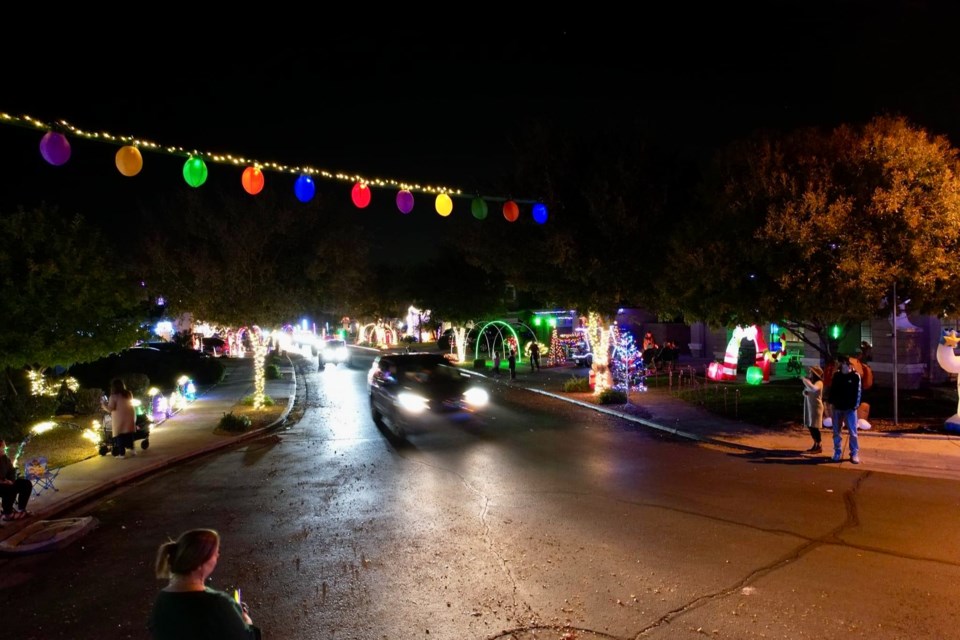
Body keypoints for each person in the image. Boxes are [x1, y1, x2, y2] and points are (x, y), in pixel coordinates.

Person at [148, 528, 262, 640]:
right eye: (215, 553)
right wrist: (246, 620)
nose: (218, 556)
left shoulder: (161, 600)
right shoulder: (218, 603)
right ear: (201, 561)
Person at [829, 356, 862, 463]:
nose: (847, 367)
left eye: (848, 365)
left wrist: (855, 406)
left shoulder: (855, 376)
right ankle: (837, 452)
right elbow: (832, 390)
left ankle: (854, 453)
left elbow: (858, 392)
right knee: (836, 432)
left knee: (853, 432)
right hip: (837, 407)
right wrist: (831, 404)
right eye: (844, 364)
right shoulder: (837, 376)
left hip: (850, 408)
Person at [101, 378, 137, 458]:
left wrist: (103, 405)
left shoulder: (113, 396)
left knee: (119, 435)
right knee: (129, 434)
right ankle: (133, 450)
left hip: (119, 419)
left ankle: (122, 454)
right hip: (129, 416)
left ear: (113, 387)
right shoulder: (128, 394)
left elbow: (110, 408)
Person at [0, 438, 33, 521]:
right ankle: (8, 514)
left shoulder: (4, 458)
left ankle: (21, 509)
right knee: (9, 489)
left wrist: (11, 481)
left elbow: (12, 470)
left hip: (6, 482)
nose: (5, 448)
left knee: (25, 483)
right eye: (3, 447)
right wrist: (3, 481)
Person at [800, 365, 825, 454]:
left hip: (816, 407)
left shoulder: (819, 383)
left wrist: (804, 380)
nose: (809, 373)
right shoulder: (812, 382)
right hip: (810, 406)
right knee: (811, 426)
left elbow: (814, 389)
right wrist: (805, 392)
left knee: (814, 427)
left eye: (811, 372)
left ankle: (818, 445)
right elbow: (807, 390)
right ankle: (815, 444)